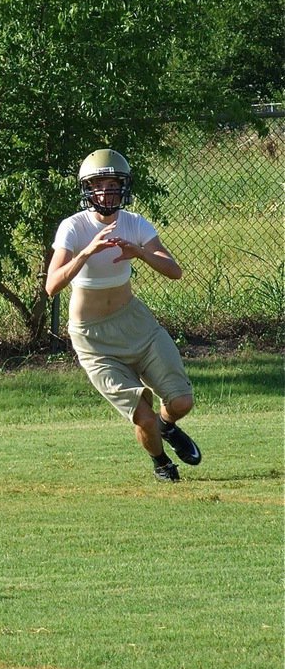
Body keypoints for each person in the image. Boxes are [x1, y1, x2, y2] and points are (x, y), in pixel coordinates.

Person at [45, 149, 202, 483]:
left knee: (182, 401)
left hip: (136, 324)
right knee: (142, 417)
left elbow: (175, 271)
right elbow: (52, 286)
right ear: (87, 189)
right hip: (93, 338)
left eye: (112, 184)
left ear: (123, 188)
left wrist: (140, 252)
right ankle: (160, 461)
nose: (105, 191)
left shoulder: (134, 223)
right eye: (98, 184)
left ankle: (167, 426)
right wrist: (87, 252)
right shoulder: (73, 227)